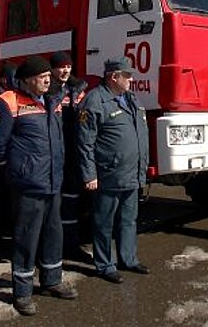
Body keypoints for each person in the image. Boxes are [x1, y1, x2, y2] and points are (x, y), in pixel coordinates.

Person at [0, 56, 77, 316]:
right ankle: (23, 292)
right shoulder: (8, 102)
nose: (49, 79)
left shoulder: (53, 101)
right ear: (27, 80)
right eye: (42, 76)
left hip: (53, 181)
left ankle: (52, 280)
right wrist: (15, 167)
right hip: (28, 183)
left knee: (53, 233)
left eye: (49, 75)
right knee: (26, 237)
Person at [76, 57, 150, 284]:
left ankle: (128, 259)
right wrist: (89, 174)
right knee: (104, 222)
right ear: (113, 77)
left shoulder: (130, 99)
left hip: (131, 173)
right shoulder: (95, 101)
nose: (131, 78)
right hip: (109, 174)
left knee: (129, 219)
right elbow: (85, 142)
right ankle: (104, 264)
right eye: (127, 75)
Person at [48, 51, 90, 261]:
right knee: (53, 208)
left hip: (73, 155)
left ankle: (72, 246)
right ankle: (51, 250)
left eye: (68, 66)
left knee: (72, 204)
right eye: (60, 67)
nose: (65, 70)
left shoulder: (78, 90)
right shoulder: (46, 91)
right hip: (52, 157)